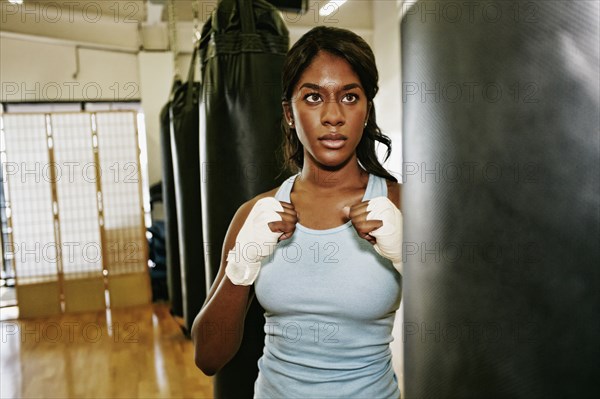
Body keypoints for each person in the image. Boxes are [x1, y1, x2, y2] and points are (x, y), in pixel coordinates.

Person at [192, 26, 403, 398]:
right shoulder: (255, 215)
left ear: (367, 109)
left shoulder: (403, 206)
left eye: (350, 97)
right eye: (313, 97)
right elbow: (208, 356)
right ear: (289, 113)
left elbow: (466, 339)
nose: (333, 115)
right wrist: (241, 266)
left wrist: (412, 258)